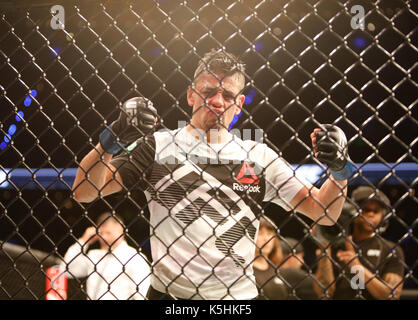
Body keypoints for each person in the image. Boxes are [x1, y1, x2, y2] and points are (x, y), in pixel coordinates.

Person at [72, 49, 354, 300]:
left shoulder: (259, 157)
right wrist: (110, 140)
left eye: (228, 95)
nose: (218, 101)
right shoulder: (158, 146)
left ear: (240, 102)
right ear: (191, 95)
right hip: (170, 296)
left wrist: (340, 171)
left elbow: (324, 212)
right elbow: (84, 192)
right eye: (209, 92)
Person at [313, 186, 405, 299]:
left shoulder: (391, 250)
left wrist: (357, 267)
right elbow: (324, 294)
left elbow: (392, 296)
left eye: (376, 211)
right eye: (365, 209)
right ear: (353, 211)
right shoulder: (335, 245)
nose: (371, 214)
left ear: (383, 216)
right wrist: (324, 249)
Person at [60, 212, 151, 300]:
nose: (103, 236)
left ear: (121, 229)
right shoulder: (94, 255)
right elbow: (66, 270)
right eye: (101, 231)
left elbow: (141, 295)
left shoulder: (134, 258)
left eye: (108, 232)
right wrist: (84, 241)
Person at [253, 217, 288, 300]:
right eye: (260, 233)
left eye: (269, 233)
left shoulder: (275, 269)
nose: (266, 239)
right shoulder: (245, 270)